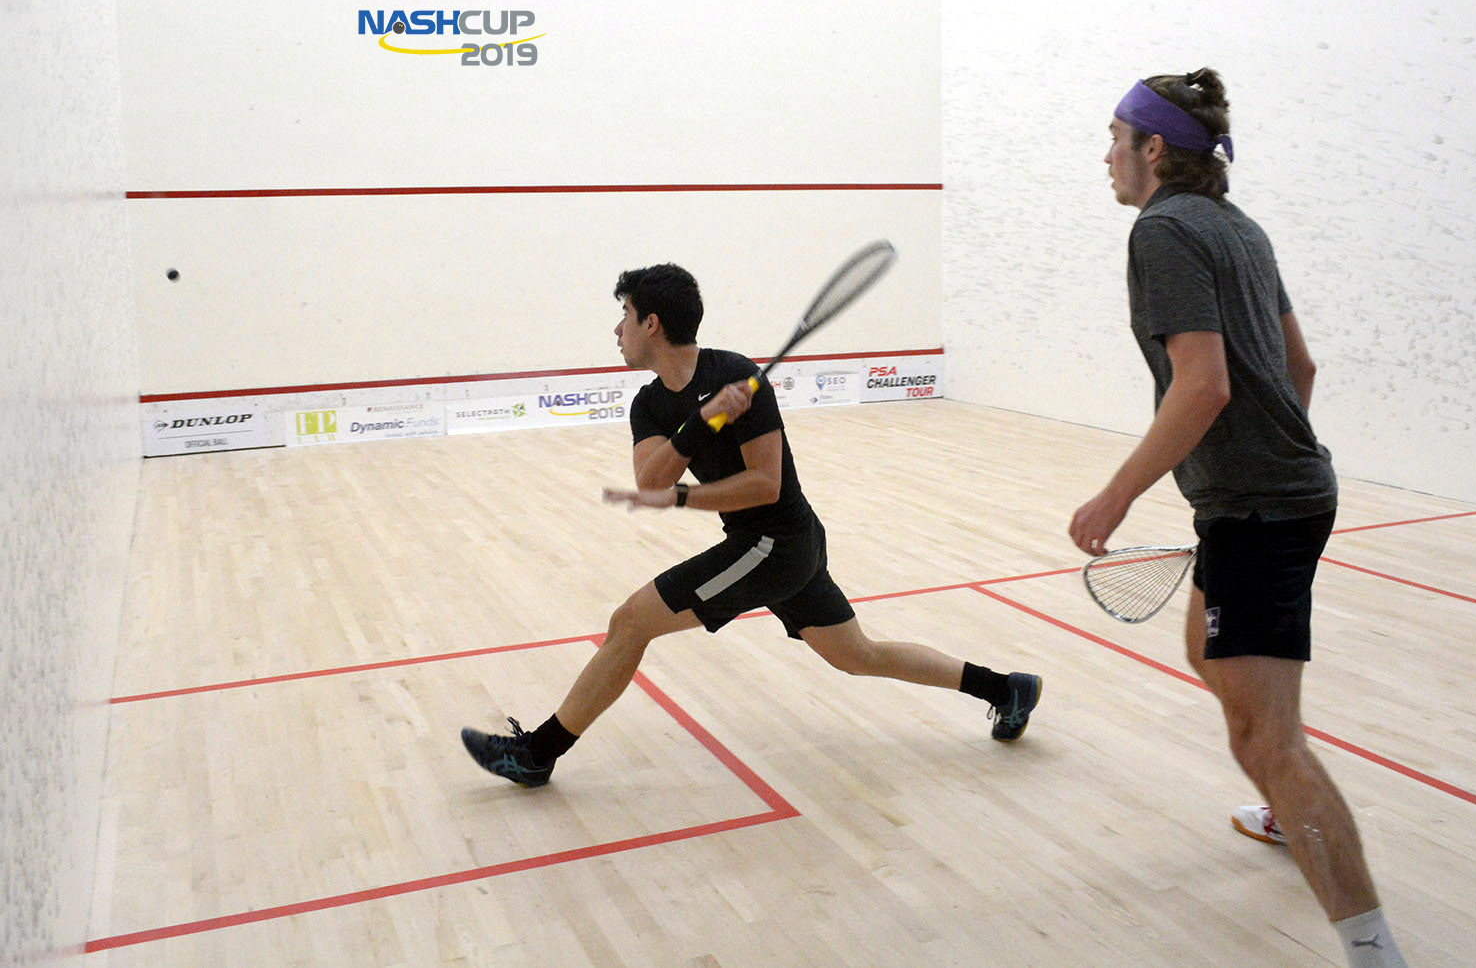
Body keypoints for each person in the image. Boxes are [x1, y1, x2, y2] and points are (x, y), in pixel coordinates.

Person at [1069, 69, 1409, 968]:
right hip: (1274, 497)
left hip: (1262, 511)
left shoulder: (1163, 230)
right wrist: (1257, 467)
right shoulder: (1237, 225)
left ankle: (1372, 946)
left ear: (1152, 149)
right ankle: (1289, 806)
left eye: (1114, 139)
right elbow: (1300, 368)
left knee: (1265, 739)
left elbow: (1204, 384)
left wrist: (1116, 494)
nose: (1105, 156)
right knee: (1205, 650)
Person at [462, 263, 1042, 788]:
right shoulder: (650, 404)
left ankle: (537, 754)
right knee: (857, 655)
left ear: (652, 324)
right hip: (770, 546)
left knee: (630, 621)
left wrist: (684, 493)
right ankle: (1005, 688)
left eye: (625, 315)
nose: (618, 330)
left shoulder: (738, 376)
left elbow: (764, 484)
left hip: (777, 543)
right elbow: (651, 480)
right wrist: (705, 419)